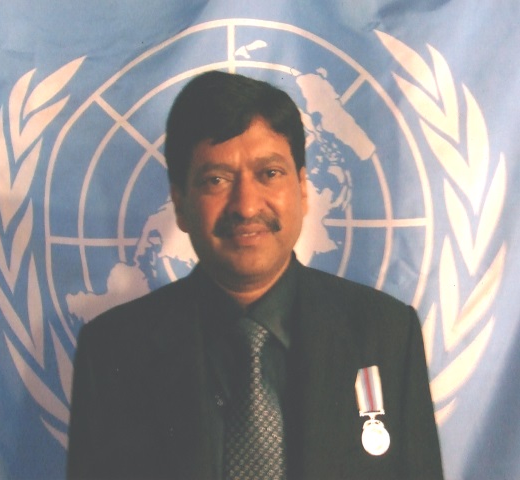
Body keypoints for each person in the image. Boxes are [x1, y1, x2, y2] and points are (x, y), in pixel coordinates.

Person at [67, 71, 443, 480]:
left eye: (269, 173)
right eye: (216, 180)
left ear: (302, 189)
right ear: (180, 203)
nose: (246, 206)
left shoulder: (387, 335)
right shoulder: (112, 352)